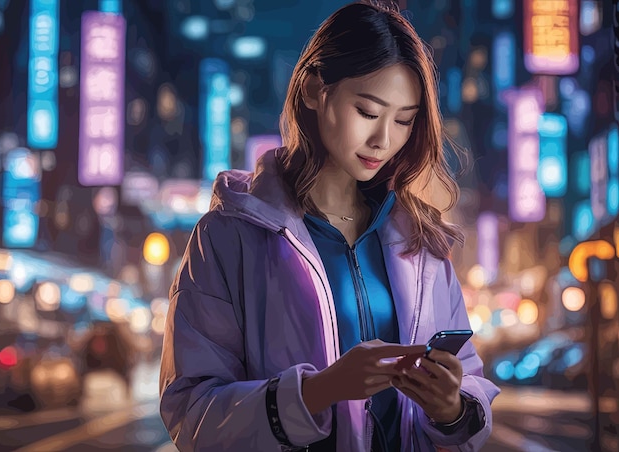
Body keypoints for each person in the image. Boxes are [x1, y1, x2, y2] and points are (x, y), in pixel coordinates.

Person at [159, 1, 500, 451]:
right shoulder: (228, 236)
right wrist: (319, 391)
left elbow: (472, 383)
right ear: (315, 90)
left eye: (403, 120)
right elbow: (192, 412)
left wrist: (452, 408)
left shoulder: (420, 242)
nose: (384, 140)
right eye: (367, 111)